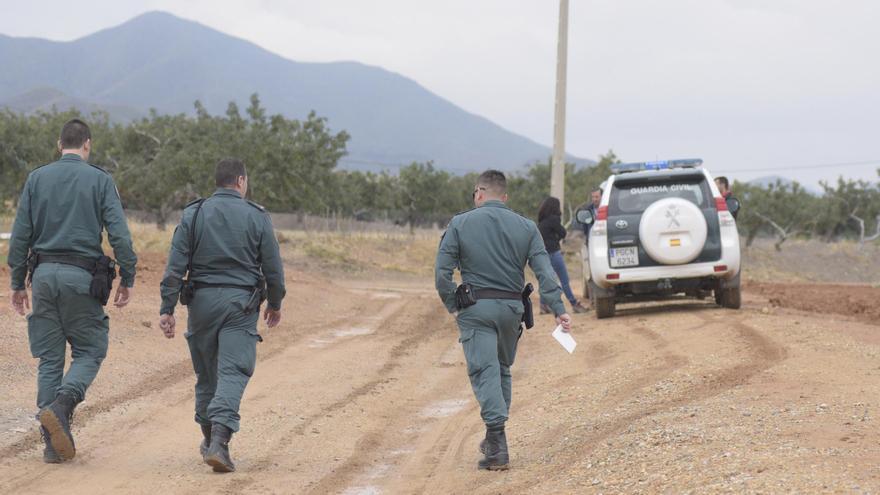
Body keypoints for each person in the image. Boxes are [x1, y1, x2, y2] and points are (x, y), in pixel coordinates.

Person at [7, 119, 138, 463]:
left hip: (44, 276)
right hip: (83, 277)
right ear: (87, 145)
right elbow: (120, 235)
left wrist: (18, 283)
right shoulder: (100, 179)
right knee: (91, 350)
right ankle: (63, 405)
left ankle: (51, 445)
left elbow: (20, 237)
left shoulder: (37, 178)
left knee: (50, 358)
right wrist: (128, 275)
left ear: (58, 143)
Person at [435, 170, 573, 471]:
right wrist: (558, 306)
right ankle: (493, 436)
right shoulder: (526, 227)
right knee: (501, 370)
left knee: (484, 370)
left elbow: (442, 273)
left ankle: (497, 445)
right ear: (505, 197)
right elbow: (545, 271)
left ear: (479, 193)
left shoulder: (460, 223)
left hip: (476, 309)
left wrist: (453, 305)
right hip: (512, 310)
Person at [158, 158, 286, 473]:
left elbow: (175, 266)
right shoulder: (257, 216)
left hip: (200, 304)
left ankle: (208, 438)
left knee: (207, 374)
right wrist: (275, 302)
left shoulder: (194, 213)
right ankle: (219, 441)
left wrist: (167, 307)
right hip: (239, 306)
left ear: (218, 182)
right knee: (233, 371)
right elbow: (273, 267)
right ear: (241, 181)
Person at [537, 197, 588, 314]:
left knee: (546, 281)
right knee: (564, 280)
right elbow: (563, 233)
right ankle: (574, 304)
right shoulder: (554, 219)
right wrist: (557, 239)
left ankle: (543, 306)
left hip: (543, 255)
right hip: (554, 253)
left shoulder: (542, 221)